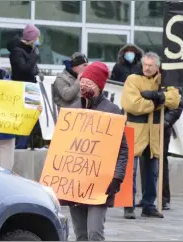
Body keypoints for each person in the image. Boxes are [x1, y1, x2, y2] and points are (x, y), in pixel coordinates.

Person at [61, 62, 128, 241]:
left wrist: (117, 177)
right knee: (81, 235)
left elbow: (122, 149)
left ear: (99, 86)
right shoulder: (73, 110)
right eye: (83, 81)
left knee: (94, 233)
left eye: (89, 83)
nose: (84, 86)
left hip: (101, 184)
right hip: (75, 184)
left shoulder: (112, 111)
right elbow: (63, 146)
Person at [121, 52, 180, 219]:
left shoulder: (164, 80)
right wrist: (158, 102)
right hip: (135, 129)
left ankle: (149, 205)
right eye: (145, 65)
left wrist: (155, 95)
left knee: (153, 171)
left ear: (157, 66)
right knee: (130, 170)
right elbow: (132, 104)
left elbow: (174, 100)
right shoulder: (133, 79)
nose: (147, 68)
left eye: (150, 66)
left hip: (154, 131)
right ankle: (128, 205)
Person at [136, 92, 183, 210]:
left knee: (160, 161)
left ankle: (164, 198)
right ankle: (146, 197)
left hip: (161, 127)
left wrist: (166, 121)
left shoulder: (169, 80)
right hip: (145, 126)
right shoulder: (142, 80)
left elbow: (178, 104)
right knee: (144, 161)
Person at [7, 24, 41, 149]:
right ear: (32, 38)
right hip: (21, 89)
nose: (38, 40)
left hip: (31, 89)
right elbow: (23, 69)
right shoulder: (17, 52)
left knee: (30, 117)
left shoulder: (29, 50)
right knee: (21, 117)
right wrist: (34, 57)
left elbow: (31, 69)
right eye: (37, 37)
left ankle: (24, 143)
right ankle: (19, 144)